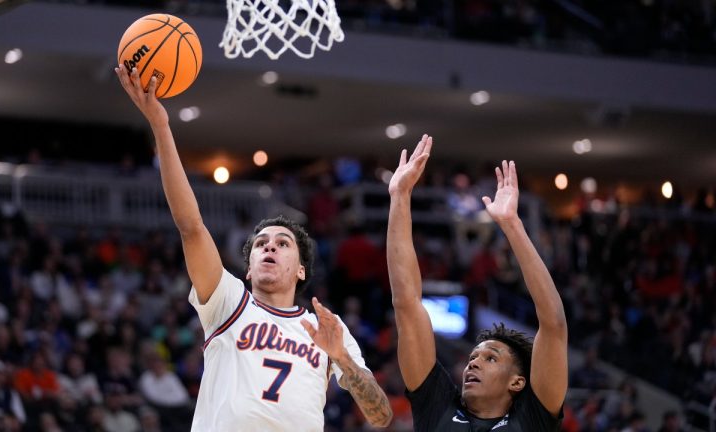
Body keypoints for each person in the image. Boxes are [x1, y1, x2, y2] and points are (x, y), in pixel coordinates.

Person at [114, 65, 392, 431]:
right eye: (260, 244)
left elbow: (381, 415)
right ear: (247, 269)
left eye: (282, 243)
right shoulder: (229, 301)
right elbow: (191, 227)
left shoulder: (325, 328)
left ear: (301, 269)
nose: (269, 248)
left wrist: (340, 356)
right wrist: (161, 127)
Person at [387, 134, 567, 431]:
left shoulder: (532, 419)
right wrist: (400, 197)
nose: (473, 363)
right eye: (474, 357)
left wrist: (512, 225)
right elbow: (406, 302)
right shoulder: (438, 406)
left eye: (490, 358)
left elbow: (554, 323)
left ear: (517, 382)